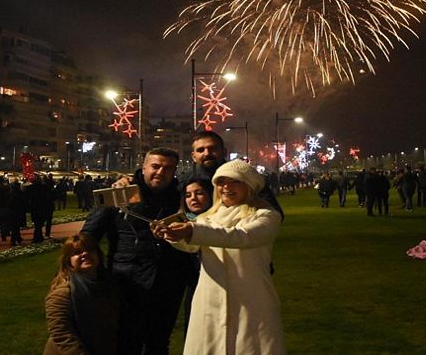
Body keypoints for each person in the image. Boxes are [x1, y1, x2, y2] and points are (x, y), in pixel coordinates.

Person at [154, 159, 286, 355]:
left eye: (235, 182)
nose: (226, 188)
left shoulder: (266, 215)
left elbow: (242, 236)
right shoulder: (207, 217)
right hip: (210, 298)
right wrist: (171, 235)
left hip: (251, 298)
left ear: (249, 185)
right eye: (221, 182)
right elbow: (193, 246)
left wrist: (191, 230)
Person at [81, 147, 193, 354]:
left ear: (175, 171)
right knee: (126, 339)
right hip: (127, 280)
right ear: (144, 167)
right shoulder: (121, 192)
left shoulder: (182, 196)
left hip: (168, 282)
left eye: (168, 168)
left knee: (158, 342)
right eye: (156, 166)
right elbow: (90, 232)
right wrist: (75, 264)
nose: (160, 172)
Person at [44, 233, 120, 355]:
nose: (85, 254)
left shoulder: (108, 284)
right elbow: (61, 333)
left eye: (90, 250)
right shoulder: (62, 293)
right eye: (77, 252)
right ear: (68, 261)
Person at [189, 130, 283, 218]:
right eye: (200, 150)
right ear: (193, 156)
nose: (207, 153)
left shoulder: (245, 175)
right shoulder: (186, 182)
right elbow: (183, 214)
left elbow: (274, 212)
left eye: (213, 148)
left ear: (224, 152)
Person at [180, 175, 214, 334]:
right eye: (188, 195)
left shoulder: (221, 221)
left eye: (199, 193)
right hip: (194, 286)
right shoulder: (180, 223)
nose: (193, 198)